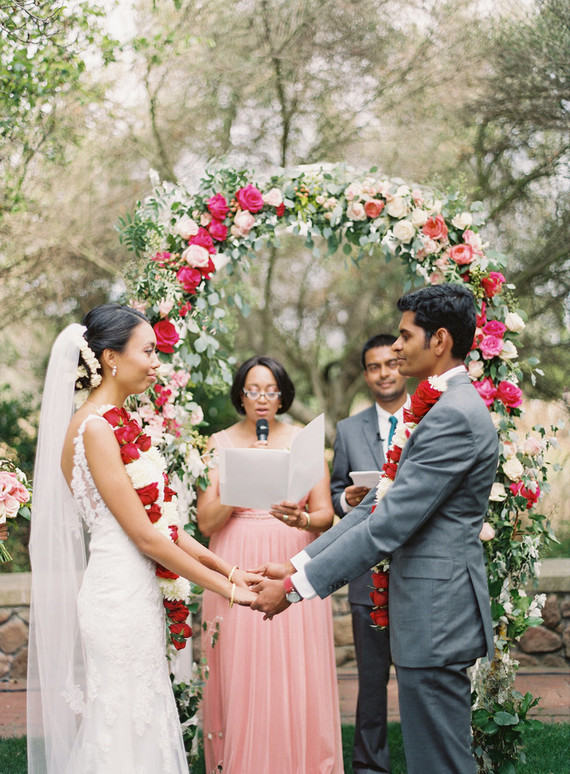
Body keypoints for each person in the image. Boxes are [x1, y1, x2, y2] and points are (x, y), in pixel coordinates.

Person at [252, 284, 499, 774]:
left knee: (441, 763)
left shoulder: (452, 417)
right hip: (428, 615)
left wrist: (293, 590)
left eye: (406, 336)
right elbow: (370, 509)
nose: (398, 347)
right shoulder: (434, 408)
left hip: (437, 617)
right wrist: (297, 563)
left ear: (440, 340)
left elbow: (386, 526)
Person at [27, 304, 258, 774]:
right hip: (116, 598)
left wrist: (232, 570)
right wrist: (230, 592)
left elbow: (165, 526)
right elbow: (146, 538)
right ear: (111, 357)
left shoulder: (120, 424)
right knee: (121, 728)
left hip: (138, 594)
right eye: (149, 351)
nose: (157, 363)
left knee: (145, 718)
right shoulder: (93, 428)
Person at [196, 355, 344, 774]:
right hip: (235, 553)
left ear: (282, 396)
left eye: (270, 391)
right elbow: (205, 522)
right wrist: (241, 475)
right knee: (239, 664)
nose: (262, 399)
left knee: (294, 667)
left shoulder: (303, 441)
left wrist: (302, 519)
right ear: (240, 395)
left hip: (290, 555)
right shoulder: (218, 443)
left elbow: (324, 517)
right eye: (253, 390)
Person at [330, 334, 409, 774]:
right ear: (366, 374)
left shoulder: (433, 419)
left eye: (391, 364)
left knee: (422, 681)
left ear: (403, 366)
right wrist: (349, 501)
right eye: (375, 366)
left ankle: (427, 758)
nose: (384, 373)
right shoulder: (348, 429)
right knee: (372, 683)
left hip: (420, 570)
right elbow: (334, 493)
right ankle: (369, 767)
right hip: (368, 577)